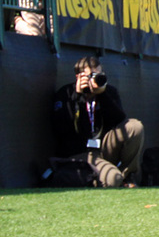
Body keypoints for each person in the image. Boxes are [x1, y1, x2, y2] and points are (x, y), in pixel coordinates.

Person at [49, 56, 145, 188]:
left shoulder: (108, 91)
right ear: (78, 77)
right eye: (91, 76)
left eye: (99, 75)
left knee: (134, 126)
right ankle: (110, 179)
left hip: (103, 148)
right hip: (80, 152)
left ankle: (128, 176)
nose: (95, 79)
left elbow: (119, 120)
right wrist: (79, 97)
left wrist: (102, 95)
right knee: (112, 179)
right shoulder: (66, 94)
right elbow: (63, 129)